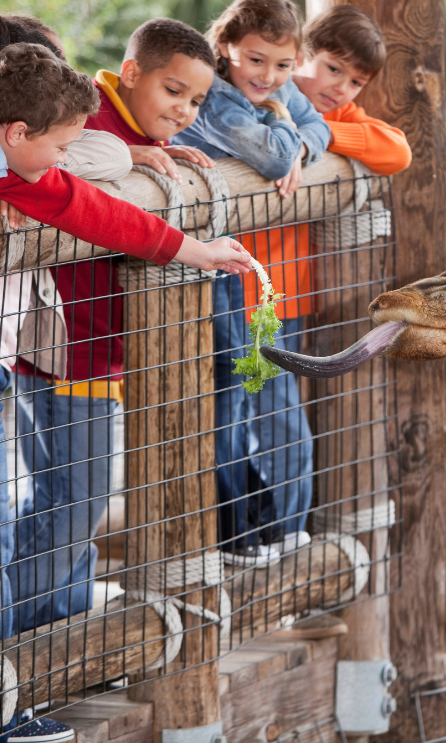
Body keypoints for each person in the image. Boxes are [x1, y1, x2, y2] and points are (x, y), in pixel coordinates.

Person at [0, 41, 249, 741]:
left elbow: (96, 208)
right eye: (60, 145)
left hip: (48, 356)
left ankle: (43, 666)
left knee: (57, 508)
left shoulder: (28, 172)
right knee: (56, 505)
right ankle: (25, 672)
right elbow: (93, 170)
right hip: (59, 356)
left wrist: (197, 251)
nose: (69, 155)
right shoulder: (62, 153)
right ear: (18, 134)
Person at [173, 0, 330, 565]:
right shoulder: (216, 97)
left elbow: (321, 130)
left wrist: (299, 141)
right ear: (227, 48)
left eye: (285, 65)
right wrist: (289, 134)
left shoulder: (274, 90)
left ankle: (261, 527)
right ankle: (234, 530)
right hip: (202, 268)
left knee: (249, 395)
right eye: (256, 60)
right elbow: (269, 157)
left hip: (244, 272)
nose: (269, 76)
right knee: (228, 398)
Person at [293, 4, 411, 175]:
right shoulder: (266, 95)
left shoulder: (340, 115)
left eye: (356, 82)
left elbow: (399, 152)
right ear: (300, 55)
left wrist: (320, 132)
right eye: (334, 69)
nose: (341, 89)